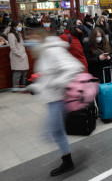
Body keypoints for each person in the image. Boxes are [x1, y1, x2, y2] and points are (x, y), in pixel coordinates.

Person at [25, 27, 84, 177]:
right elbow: (47, 78)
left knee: (52, 132)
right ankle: (67, 161)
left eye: (32, 38)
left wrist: (55, 83)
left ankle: (67, 161)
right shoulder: (44, 53)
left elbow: (75, 68)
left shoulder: (52, 50)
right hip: (53, 99)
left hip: (59, 98)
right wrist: (34, 86)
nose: (29, 42)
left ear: (40, 37)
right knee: (56, 131)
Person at [8, 21, 29, 91]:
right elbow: (13, 47)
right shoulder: (11, 34)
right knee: (17, 72)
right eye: (19, 25)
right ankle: (15, 88)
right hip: (17, 56)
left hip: (22, 54)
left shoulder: (18, 33)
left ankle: (23, 86)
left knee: (24, 72)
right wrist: (19, 54)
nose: (20, 27)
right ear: (14, 26)